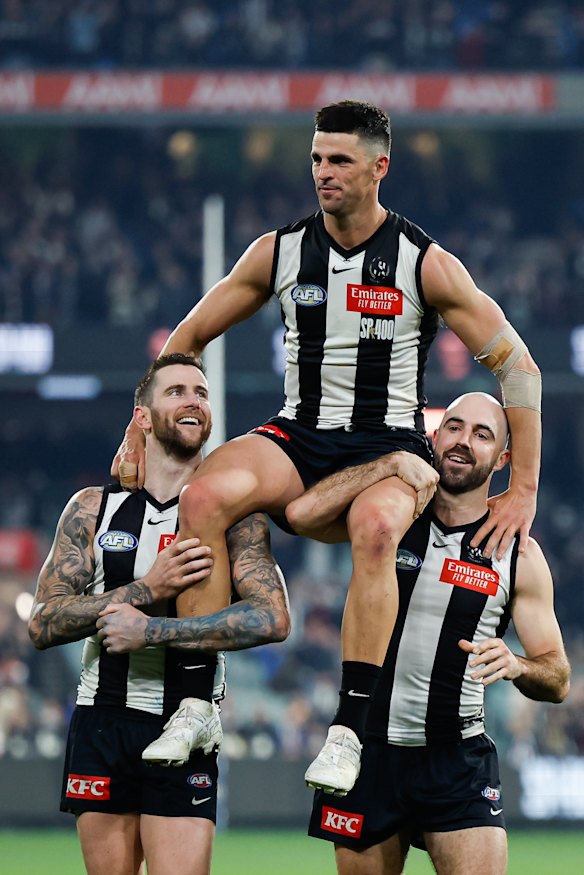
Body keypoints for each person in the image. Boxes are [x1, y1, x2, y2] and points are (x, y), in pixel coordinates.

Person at [112, 100, 542, 795]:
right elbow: (184, 341)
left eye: (340, 160)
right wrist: (139, 425)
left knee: (375, 528)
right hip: (299, 434)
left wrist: (522, 489)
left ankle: (347, 728)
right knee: (203, 495)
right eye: (316, 158)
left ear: (380, 168)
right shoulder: (279, 252)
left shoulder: (422, 263)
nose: (323, 173)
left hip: (393, 443)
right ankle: (197, 700)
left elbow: (520, 368)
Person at [28, 353, 290, 875]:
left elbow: (272, 618)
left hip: (185, 721)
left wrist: (150, 630)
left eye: (201, 392)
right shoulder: (91, 509)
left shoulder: (234, 516)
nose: (194, 400)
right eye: (177, 391)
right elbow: (42, 622)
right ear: (142, 417)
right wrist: (144, 589)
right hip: (101, 724)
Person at [301, 393, 570, 875]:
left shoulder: (518, 554)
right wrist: (384, 465)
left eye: (482, 434)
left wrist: (517, 664)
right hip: (369, 750)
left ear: (503, 458)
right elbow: (303, 512)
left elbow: (557, 677)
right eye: (455, 427)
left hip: (457, 758)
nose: (464, 441)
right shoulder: (386, 516)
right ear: (436, 435)